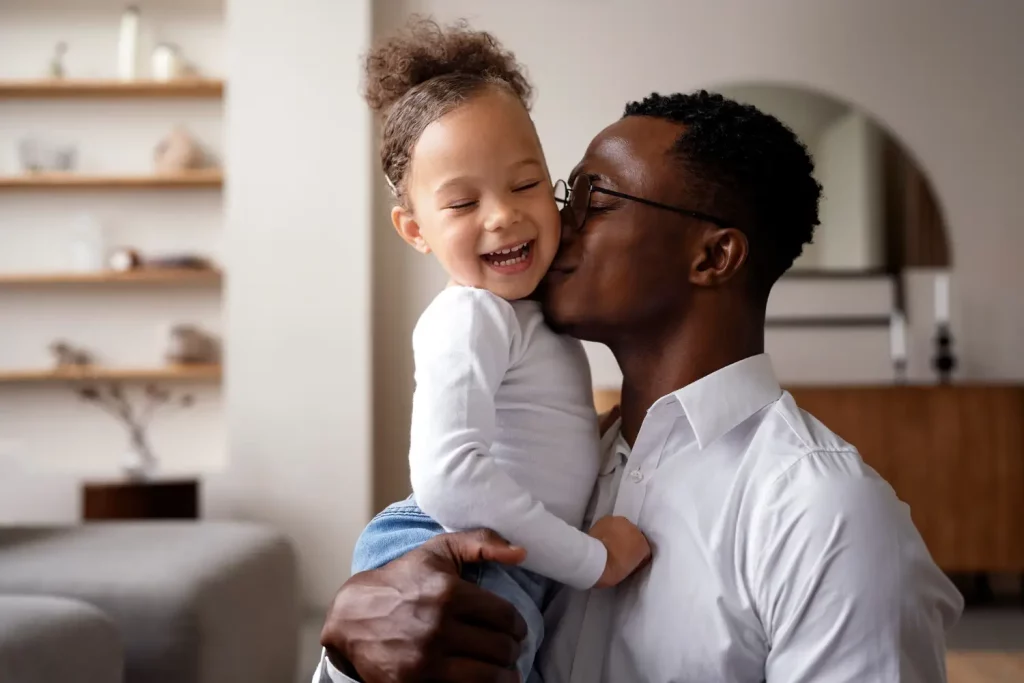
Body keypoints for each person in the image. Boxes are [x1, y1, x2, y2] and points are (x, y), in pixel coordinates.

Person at [316, 88, 964, 682]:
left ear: (713, 256)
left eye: (594, 200)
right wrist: (352, 664)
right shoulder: (550, 466)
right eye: (564, 195)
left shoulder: (825, 514)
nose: (549, 223)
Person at [347, 19, 651, 681]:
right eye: (461, 202)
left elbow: (531, 433)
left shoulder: (527, 316)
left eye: (524, 184)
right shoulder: (471, 313)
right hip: (456, 549)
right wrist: (590, 559)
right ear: (414, 228)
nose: (503, 215)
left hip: (509, 559)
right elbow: (449, 475)